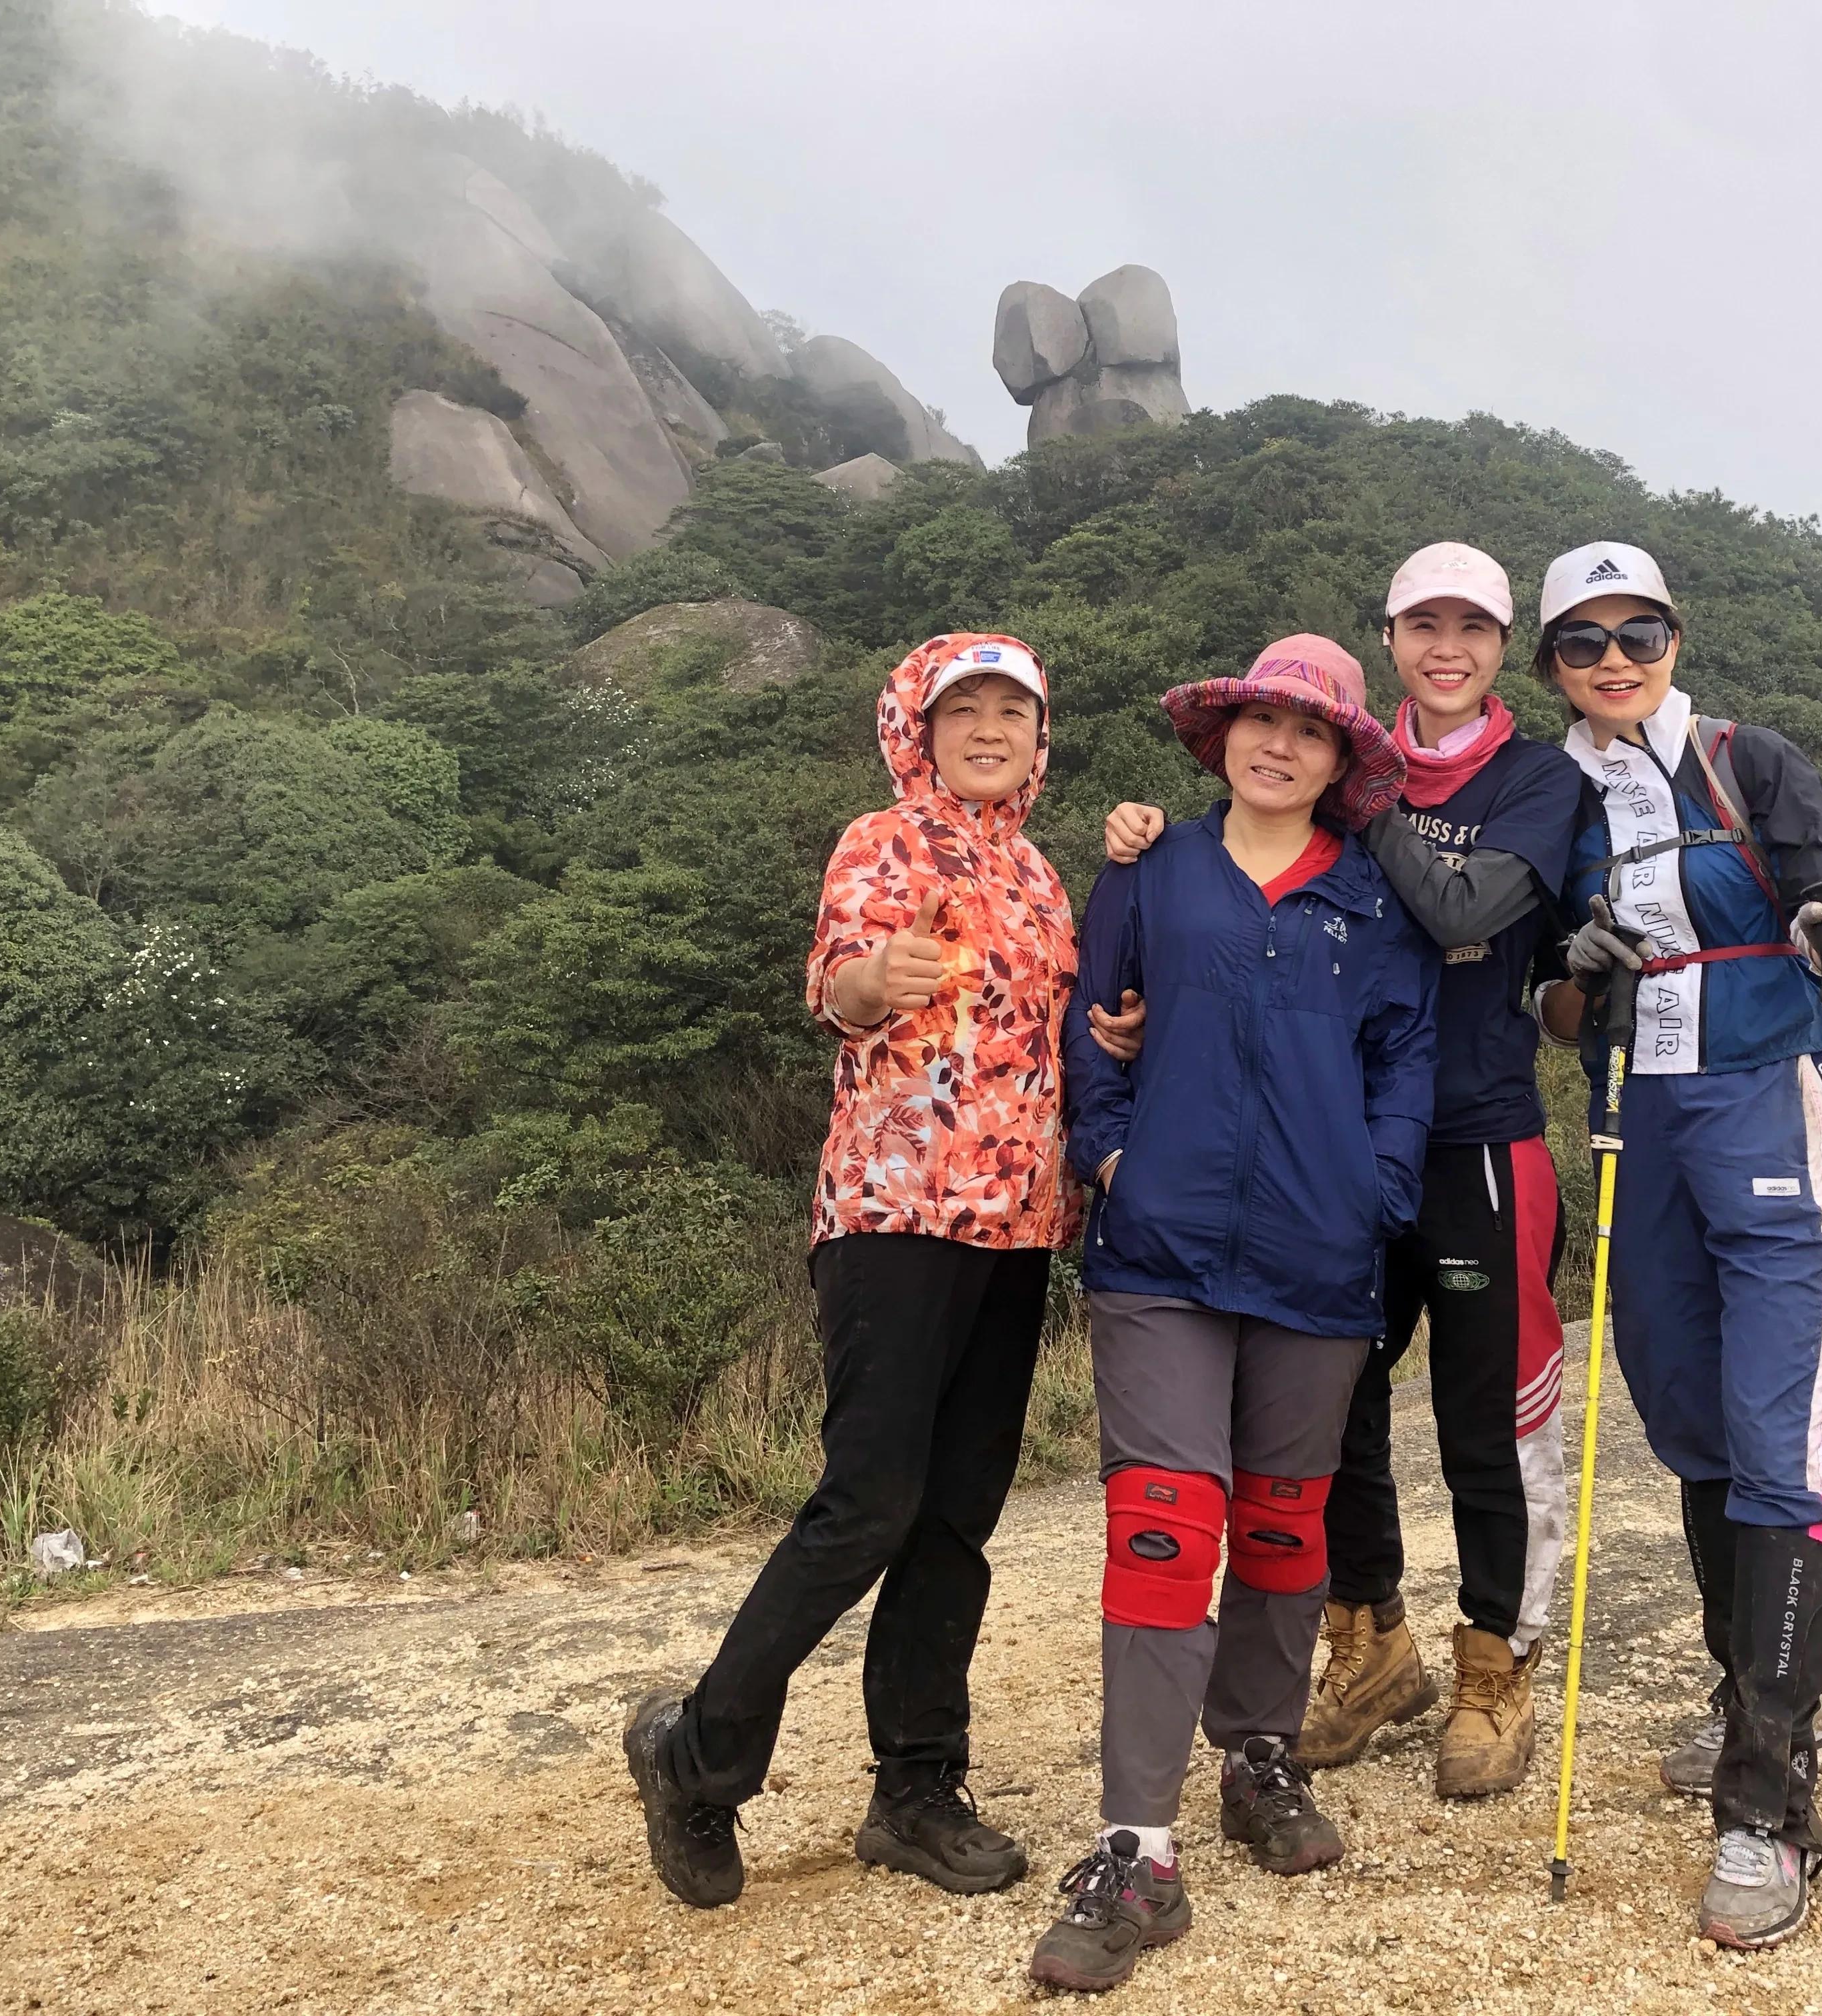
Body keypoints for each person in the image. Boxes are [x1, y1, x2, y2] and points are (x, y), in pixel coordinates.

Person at [1096, 542, 1585, 1802]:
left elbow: (1473, 916)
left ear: (1501, 645)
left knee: (1487, 1415)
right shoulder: (1316, 796)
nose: (1449, 647)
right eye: (1425, 624)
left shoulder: (1536, 777)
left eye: (1473, 627)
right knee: (1331, 1419)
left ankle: (1497, 1655)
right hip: (1321, 1154)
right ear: (1391, 640)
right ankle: (1371, 1640)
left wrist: (1366, 797)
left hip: (1478, 1135)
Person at [624, 633, 1077, 1911]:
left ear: (1041, 740)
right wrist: (877, 978)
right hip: (892, 1211)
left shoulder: (1043, 875)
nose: (990, 727)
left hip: (1018, 1223)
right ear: (915, 729)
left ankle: (916, 1792)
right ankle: (698, 1761)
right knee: (868, 1502)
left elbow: (1055, 1032)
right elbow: (837, 982)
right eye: (964, 709)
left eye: (1014, 710)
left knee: (955, 1520)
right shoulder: (879, 840)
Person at [1026, 637, 1438, 1994]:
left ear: (1339, 763)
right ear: (1225, 740)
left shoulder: (1371, 903)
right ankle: (1136, 1846)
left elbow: (1403, 1059)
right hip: (1163, 1249)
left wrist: (1377, 1188)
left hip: (1320, 1260)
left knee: (1281, 1515)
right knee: (1164, 1514)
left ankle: (1258, 1757)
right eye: (1261, 721)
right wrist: (1112, 1155)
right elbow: (1096, 1022)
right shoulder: (1153, 868)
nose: (1281, 745)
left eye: (1311, 733)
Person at [1529, 540, 1822, 1950]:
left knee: (1784, 1440)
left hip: (1766, 1097)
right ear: (1550, 661)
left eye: (1642, 632)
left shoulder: (1755, 761)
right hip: (1645, 1125)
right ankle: (1754, 1693)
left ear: (1678, 636)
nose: (1617, 660)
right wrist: (1574, 975)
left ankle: (1767, 1803)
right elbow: (1549, 1015)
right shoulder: (1552, 798)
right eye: (1584, 642)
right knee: (1690, 1426)